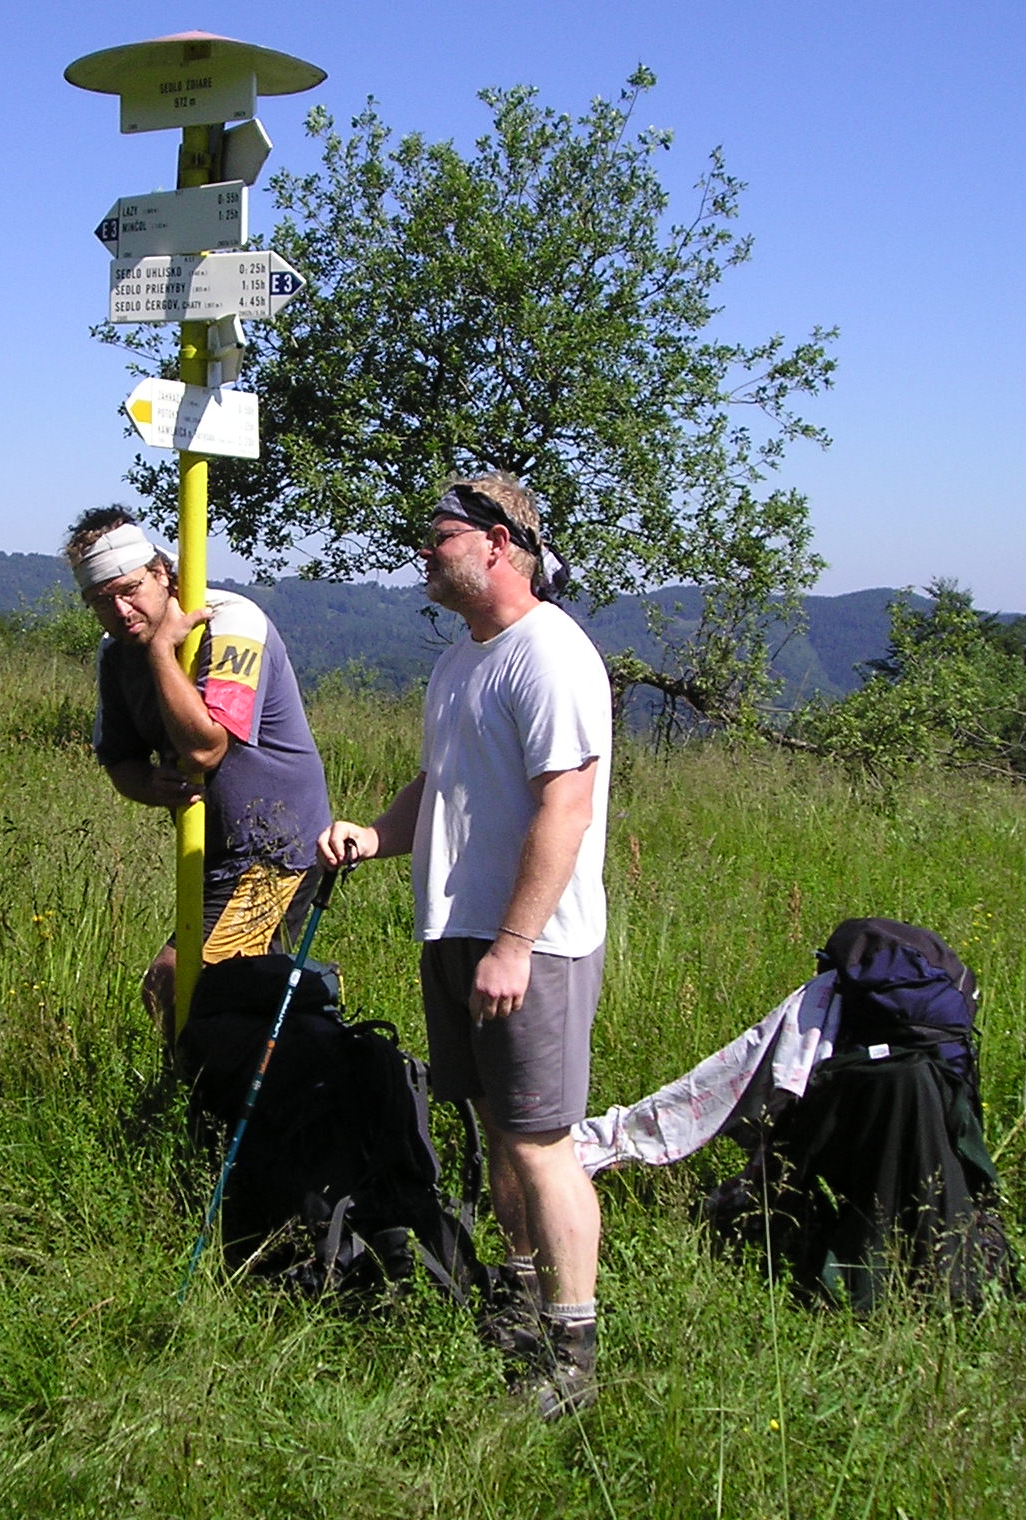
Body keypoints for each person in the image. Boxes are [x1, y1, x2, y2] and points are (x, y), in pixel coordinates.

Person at [318, 472, 611, 1420]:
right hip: (458, 931)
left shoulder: (551, 655)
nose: (424, 548)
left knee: (543, 1143)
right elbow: (438, 782)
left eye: (439, 533)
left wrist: (516, 943)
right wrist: (374, 835)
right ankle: (518, 1299)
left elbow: (567, 808)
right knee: (497, 1130)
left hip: (530, 944)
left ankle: (572, 1352)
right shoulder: (460, 662)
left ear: (497, 542)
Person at [63, 507, 332, 1041]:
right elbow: (119, 760)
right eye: (100, 601)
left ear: (162, 573)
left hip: (276, 846)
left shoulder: (232, 623)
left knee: (179, 983)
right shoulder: (115, 654)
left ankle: (220, 1087)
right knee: (222, 998)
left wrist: (164, 650)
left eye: (130, 590)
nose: (120, 610)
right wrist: (147, 785)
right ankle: (228, 1084)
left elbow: (206, 748)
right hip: (211, 853)